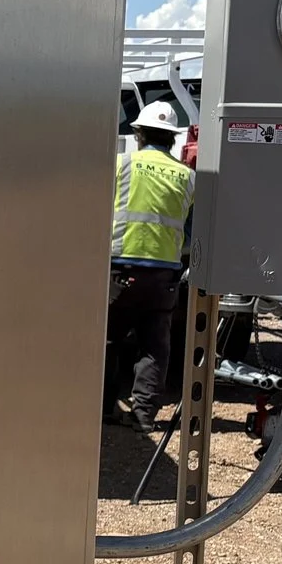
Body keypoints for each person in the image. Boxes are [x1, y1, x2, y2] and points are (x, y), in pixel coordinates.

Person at [104, 102, 195, 429]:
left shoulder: (121, 164)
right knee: (155, 347)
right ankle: (143, 417)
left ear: (139, 134)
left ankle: (105, 409)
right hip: (164, 276)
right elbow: (190, 226)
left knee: (108, 340)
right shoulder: (187, 176)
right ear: (172, 138)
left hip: (121, 268)